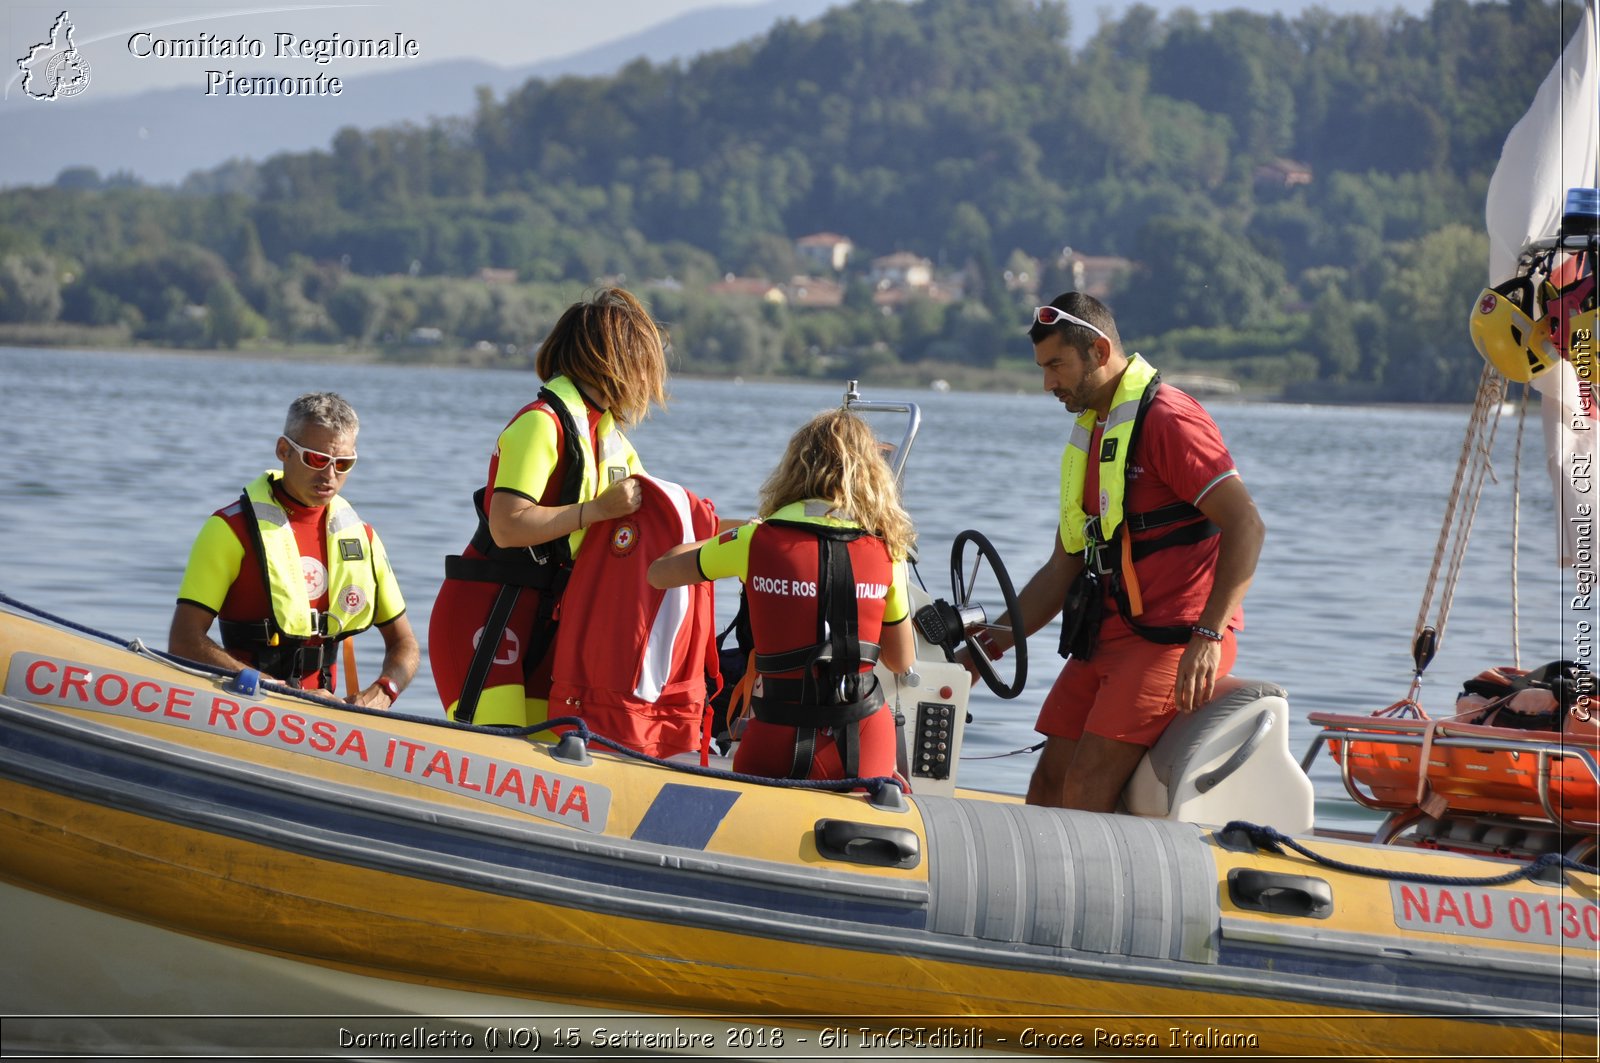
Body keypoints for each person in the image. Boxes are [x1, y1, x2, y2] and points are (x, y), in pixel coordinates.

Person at [980, 292, 1265, 812]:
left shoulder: (1170, 421)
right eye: (1042, 368)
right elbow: (1062, 567)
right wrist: (988, 646)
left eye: (1056, 366)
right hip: (1106, 637)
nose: (1047, 383)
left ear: (1099, 350)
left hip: (1174, 641)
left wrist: (1208, 633)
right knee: (1047, 785)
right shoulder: (1095, 430)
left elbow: (1247, 525)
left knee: (1084, 788)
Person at [429, 287, 666, 728]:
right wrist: (594, 511)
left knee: (549, 760)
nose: (650, 380)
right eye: (645, 364)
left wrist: (751, 534)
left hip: (551, 622)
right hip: (489, 614)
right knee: (498, 758)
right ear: (613, 359)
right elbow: (507, 526)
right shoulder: (541, 423)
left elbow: (666, 521)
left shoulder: (612, 441)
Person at [647, 409, 916, 782]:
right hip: (863, 739)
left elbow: (659, 573)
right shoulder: (890, 551)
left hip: (775, 734)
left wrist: (736, 533)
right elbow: (901, 660)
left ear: (795, 468)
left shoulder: (755, 540)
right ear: (871, 476)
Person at [170, 392, 419, 707]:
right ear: (283, 450)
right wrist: (268, 686)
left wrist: (383, 692)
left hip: (325, 716)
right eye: (316, 459)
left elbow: (405, 644)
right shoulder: (228, 529)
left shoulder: (362, 537)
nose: (330, 475)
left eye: (343, 463)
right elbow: (183, 640)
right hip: (245, 705)